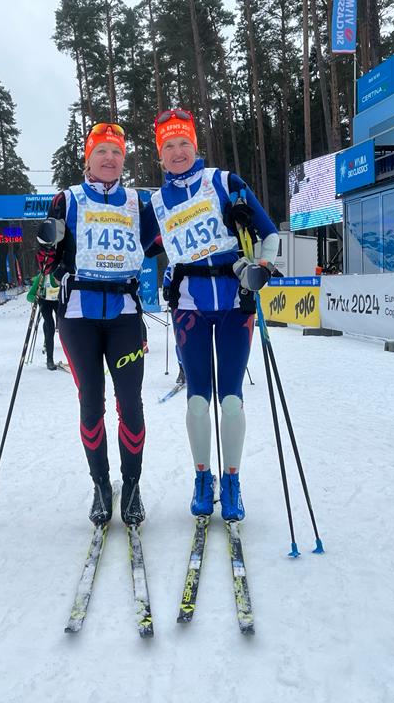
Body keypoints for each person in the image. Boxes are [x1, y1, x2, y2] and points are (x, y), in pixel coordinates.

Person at [149, 108, 278, 522]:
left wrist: (261, 269)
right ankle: (203, 478)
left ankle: (233, 480)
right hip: (189, 308)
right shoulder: (154, 202)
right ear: (160, 155)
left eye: (183, 142)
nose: (177, 151)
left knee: (233, 400)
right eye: (168, 146)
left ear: (195, 145)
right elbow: (130, 244)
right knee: (198, 400)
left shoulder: (223, 182)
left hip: (234, 302)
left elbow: (270, 234)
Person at [37, 123, 161, 526]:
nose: (109, 159)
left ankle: (132, 484)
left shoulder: (137, 203)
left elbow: (163, 243)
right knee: (91, 403)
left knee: (131, 405)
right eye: (101, 151)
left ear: (124, 160)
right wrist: (50, 263)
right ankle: (100, 485)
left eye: (117, 153)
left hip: (124, 313)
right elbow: (47, 256)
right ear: (87, 158)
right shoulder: (66, 199)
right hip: (78, 317)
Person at [26, 271, 61, 369]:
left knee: (64, 324)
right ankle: (50, 360)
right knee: (50, 325)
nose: (58, 282)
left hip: (58, 302)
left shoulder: (64, 277)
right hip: (45, 302)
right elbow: (29, 296)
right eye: (57, 280)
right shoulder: (42, 277)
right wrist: (35, 299)